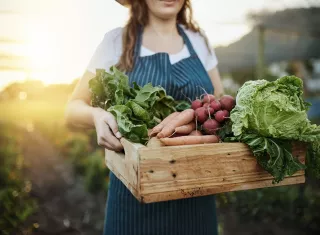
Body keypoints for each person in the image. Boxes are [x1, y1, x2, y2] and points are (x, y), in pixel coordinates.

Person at [65, 0, 225, 234]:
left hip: (196, 195)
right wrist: (97, 115)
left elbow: (219, 100)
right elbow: (72, 109)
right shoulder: (115, 42)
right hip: (133, 196)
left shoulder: (198, 40)